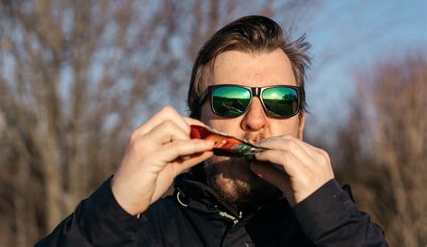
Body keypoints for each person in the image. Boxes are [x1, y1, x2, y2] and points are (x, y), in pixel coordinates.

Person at [36, 16, 387, 246]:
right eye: (230, 100)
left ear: (300, 124)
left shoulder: (331, 231)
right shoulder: (142, 232)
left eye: (280, 101)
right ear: (196, 121)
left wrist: (334, 219)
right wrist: (116, 206)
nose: (254, 120)